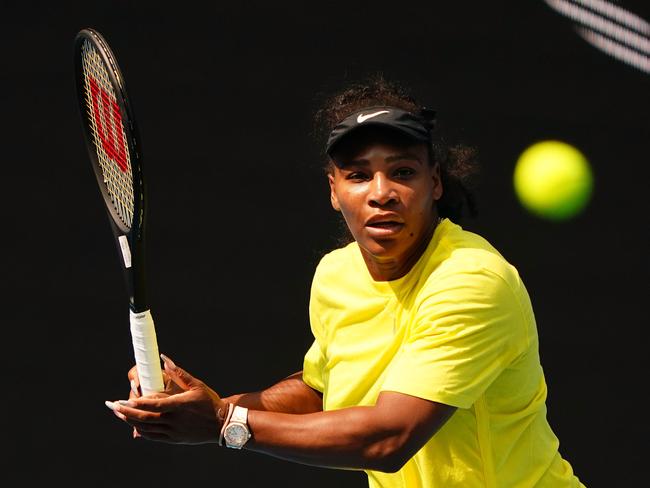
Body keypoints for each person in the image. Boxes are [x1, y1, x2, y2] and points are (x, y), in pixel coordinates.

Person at [105, 76, 585, 487]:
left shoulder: (472, 281)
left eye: (402, 172)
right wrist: (202, 406)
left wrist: (224, 423)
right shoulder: (337, 274)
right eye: (358, 175)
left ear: (435, 183)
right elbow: (321, 389)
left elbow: (388, 438)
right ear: (333, 191)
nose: (381, 193)